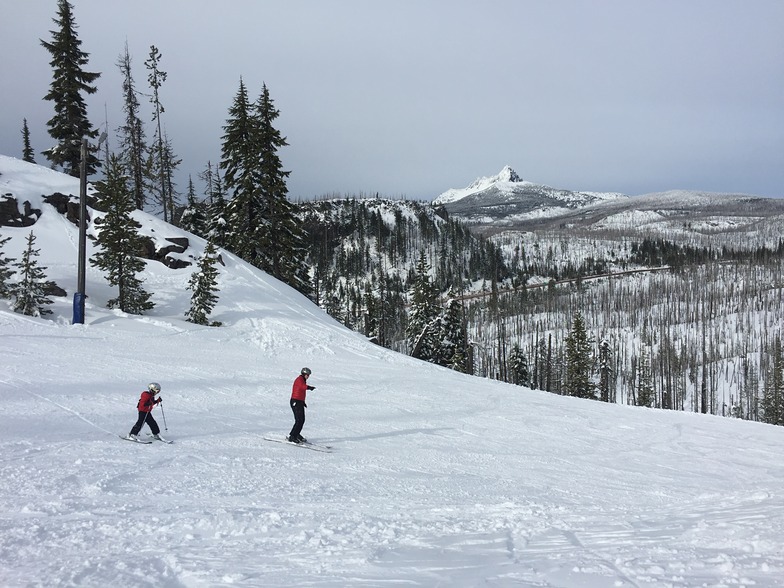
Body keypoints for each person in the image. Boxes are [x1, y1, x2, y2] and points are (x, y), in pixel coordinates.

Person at [288, 367, 315, 443]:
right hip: (295, 402)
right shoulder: (299, 380)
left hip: (299, 402)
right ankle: (293, 436)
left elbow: (300, 392)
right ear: (303, 374)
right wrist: (309, 387)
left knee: (301, 420)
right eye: (307, 375)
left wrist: (303, 402)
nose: (308, 376)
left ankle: (296, 434)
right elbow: (302, 387)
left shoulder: (302, 380)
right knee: (299, 420)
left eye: (308, 375)